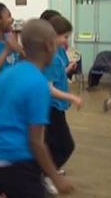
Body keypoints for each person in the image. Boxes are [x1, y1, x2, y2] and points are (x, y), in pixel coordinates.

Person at [0, 19, 74, 198]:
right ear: (49, 46)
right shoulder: (38, 84)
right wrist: (56, 178)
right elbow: (36, 142)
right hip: (13, 159)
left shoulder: (8, 72)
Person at [41, 15, 83, 195]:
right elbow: (48, 87)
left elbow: (56, 76)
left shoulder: (56, 53)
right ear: (54, 35)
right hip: (51, 108)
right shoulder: (50, 56)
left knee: (53, 144)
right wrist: (71, 97)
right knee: (66, 145)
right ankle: (46, 174)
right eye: (65, 36)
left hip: (56, 107)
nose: (67, 40)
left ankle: (49, 170)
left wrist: (67, 70)